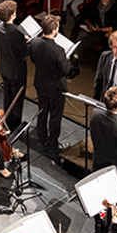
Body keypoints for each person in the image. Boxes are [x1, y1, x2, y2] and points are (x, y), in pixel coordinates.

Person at [29, 15, 73, 155]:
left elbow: (34, 60)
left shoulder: (34, 43)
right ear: (54, 30)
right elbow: (65, 70)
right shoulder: (58, 50)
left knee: (42, 111)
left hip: (41, 82)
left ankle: (42, 138)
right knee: (55, 116)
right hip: (55, 88)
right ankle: (52, 144)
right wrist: (67, 60)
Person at [0, 0, 28, 133]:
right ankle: (16, 126)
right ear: (13, 15)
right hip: (17, 71)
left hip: (4, 67)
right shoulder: (16, 32)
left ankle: (7, 121)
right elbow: (24, 52)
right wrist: (27, 41)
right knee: (17, 99)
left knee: (8, 95)